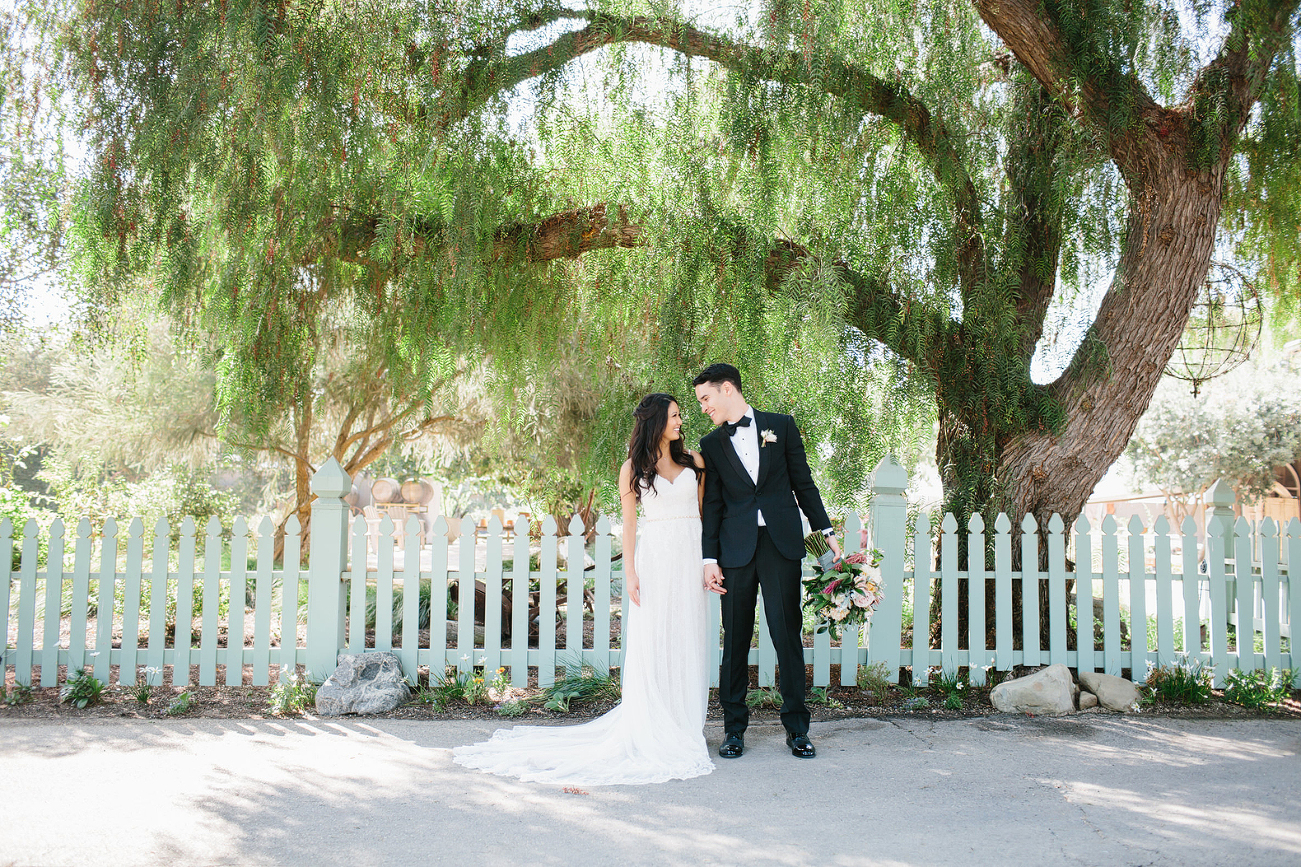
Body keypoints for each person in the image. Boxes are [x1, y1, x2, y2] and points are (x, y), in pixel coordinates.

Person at [452, 393, 714, 785]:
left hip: (689, 554)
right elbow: (628, 527)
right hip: (656, 558)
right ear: (656, 422)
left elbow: (707, 515)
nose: (680, 422)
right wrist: (630, 573)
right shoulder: (633, 468)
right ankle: (656, 721)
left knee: (687, 636)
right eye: (675, 416)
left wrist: (709, 560)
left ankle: (685, 723)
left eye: (680, 416)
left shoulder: (695, 462)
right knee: (656, 639)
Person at [693, 363, 840, 760]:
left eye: (706, 399)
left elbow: (803, 483)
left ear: (728, 389)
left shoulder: (782, 426)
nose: (704, 407)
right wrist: (710, 559)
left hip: (780, 546)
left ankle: (797, 729)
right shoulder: (711, 444)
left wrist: (827, 534)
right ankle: (733, 730)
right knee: (736, 640)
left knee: (787, 636)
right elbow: (714, 506)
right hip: (735, 551)